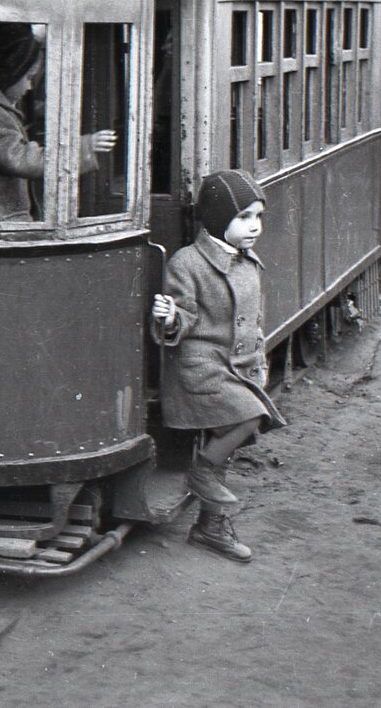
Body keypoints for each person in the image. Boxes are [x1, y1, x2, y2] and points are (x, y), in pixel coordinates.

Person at [151, 169, 286, 562]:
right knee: (248, 415)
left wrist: (258, 361)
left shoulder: (247, 262)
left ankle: (210, 528)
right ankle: (201, 473)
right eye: (244, 217)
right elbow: (184, 314)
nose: (254, 226)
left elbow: (253, 322)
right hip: (199, 367)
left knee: (231, 432)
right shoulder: (188, 262)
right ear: (215, 217)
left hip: (238, 366)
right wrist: (171, 314)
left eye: (258, 217)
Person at [0, 22, 117, 221]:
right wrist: (82, 147)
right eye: (28, 78)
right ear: (11, 73)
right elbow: (21, 159)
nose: (29, 87)